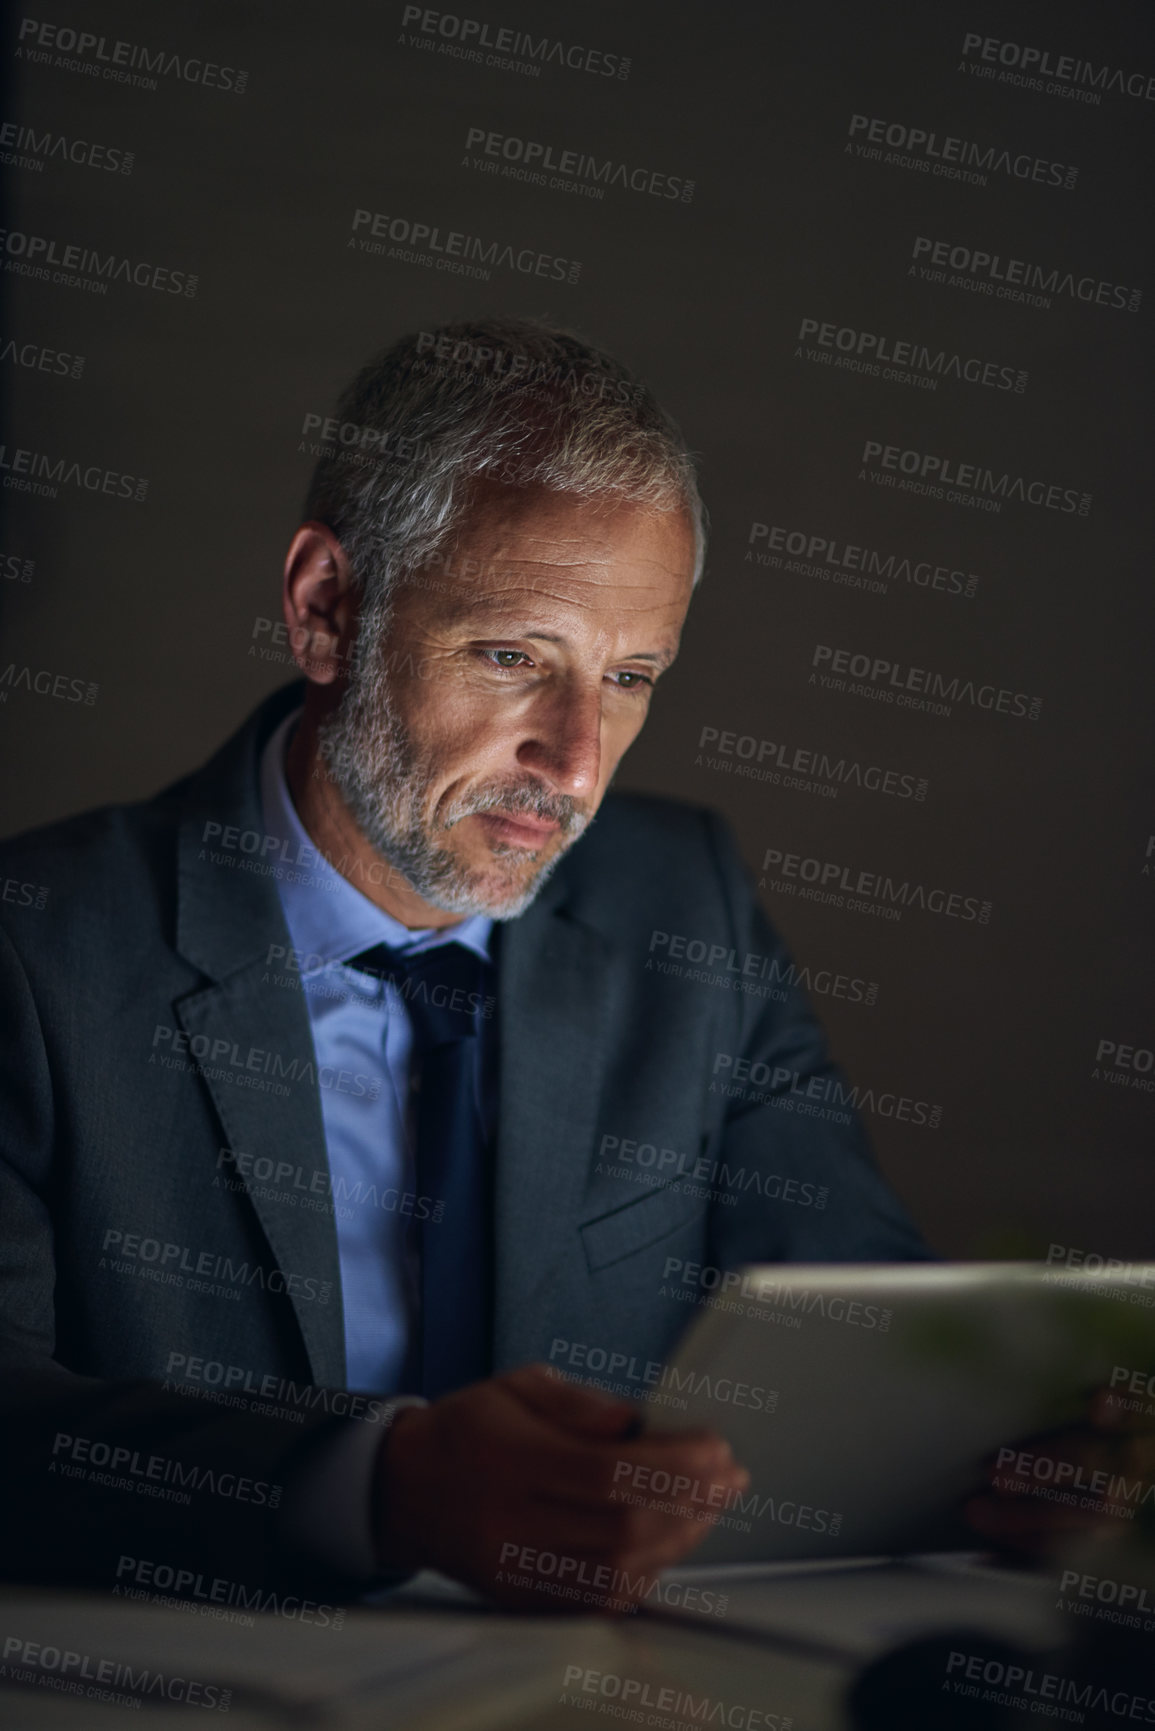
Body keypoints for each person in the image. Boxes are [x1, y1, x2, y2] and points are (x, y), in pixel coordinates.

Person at [1, 317, 1047, 1617]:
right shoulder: (35, 953)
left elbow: (871, 1331)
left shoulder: (691, 905)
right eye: (514, 657)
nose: (579, 763)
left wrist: (1020, 1447)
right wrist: (375, 1492)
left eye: (628, 678)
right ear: (327, 608)